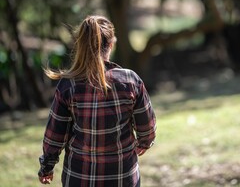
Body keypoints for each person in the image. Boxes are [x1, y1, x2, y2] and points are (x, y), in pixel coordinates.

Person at [38, 15, 156, 187]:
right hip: (123, 178)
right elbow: (147, 127)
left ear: (81, 46)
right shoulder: (131, 81)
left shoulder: (68, 85)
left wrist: (47, 167)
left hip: (79, 178)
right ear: (111, 44)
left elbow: (54, 136)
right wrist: (145, 142)